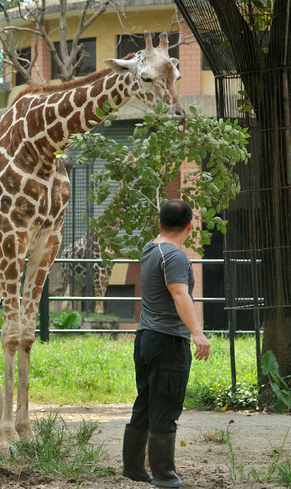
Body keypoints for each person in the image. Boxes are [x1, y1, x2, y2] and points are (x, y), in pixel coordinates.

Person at [122, 199, 211, 487]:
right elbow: (179, 294)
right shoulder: (175, 256)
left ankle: (134, 468)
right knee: (167, 406)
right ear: (189, 226)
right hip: (168, 341)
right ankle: (164, 475)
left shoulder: (150, 248)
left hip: (146, 338)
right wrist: (197, 332)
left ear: (160, 223)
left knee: (146, 402)